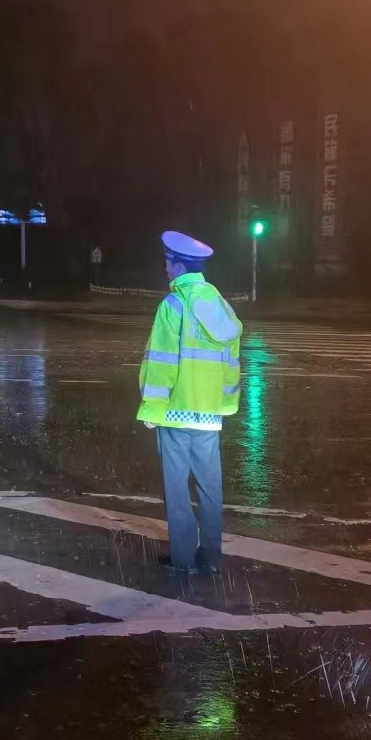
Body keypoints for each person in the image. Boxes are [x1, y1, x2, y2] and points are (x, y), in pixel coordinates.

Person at [137, 231, 243, 575]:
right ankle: (211, 557)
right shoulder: (220, 306)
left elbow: (162, 363)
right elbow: (231, 363)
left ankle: (183, 559)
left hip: (176, 413)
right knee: (210, 487)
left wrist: (153, 409)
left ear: (179, 265)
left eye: (168, 263)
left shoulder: (174, 306)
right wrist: (226, 406)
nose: (165, 269)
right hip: (209, 414)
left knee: (177, 489)